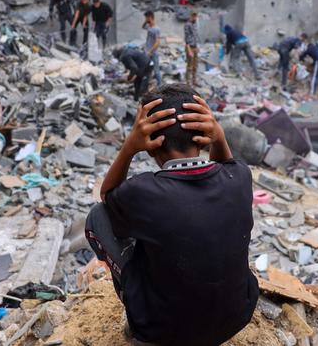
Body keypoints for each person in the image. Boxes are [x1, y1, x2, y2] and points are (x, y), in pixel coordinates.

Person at [85, 83, 258, 345]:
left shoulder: (142, 191)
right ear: (205, 133)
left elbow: (106, 195)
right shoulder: (241, 177)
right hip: (234, 319)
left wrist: (129, 147)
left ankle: (136, 298)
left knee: (98, 217)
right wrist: (220, 137)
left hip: (161, 332)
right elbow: (227, 165)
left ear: (150, 145)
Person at [143, 10, 162, 87]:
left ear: (150, 17)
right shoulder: (148, 27)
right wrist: (146, 21)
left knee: (156, 70)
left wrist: (150, 51)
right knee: (147, 69)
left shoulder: (156, 29)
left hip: (153, 53)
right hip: (147, 51)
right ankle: (147, 85)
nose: (145, 19)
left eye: (146, 18)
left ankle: (160, 85)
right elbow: (143, 26)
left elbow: (157, 42)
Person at [184, 12, 200, 86]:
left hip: (195, 46)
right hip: (190, 47)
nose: (195, 18)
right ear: (190, 16)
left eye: (195, 16)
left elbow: (195, 36)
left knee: (195, 65)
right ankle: (188, 82)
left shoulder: (195, 24)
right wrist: (189, 50)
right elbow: (186, 38)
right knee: (189, 66)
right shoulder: (187, 25)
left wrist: (197, 47)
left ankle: (194, 81)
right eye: (193, 16)